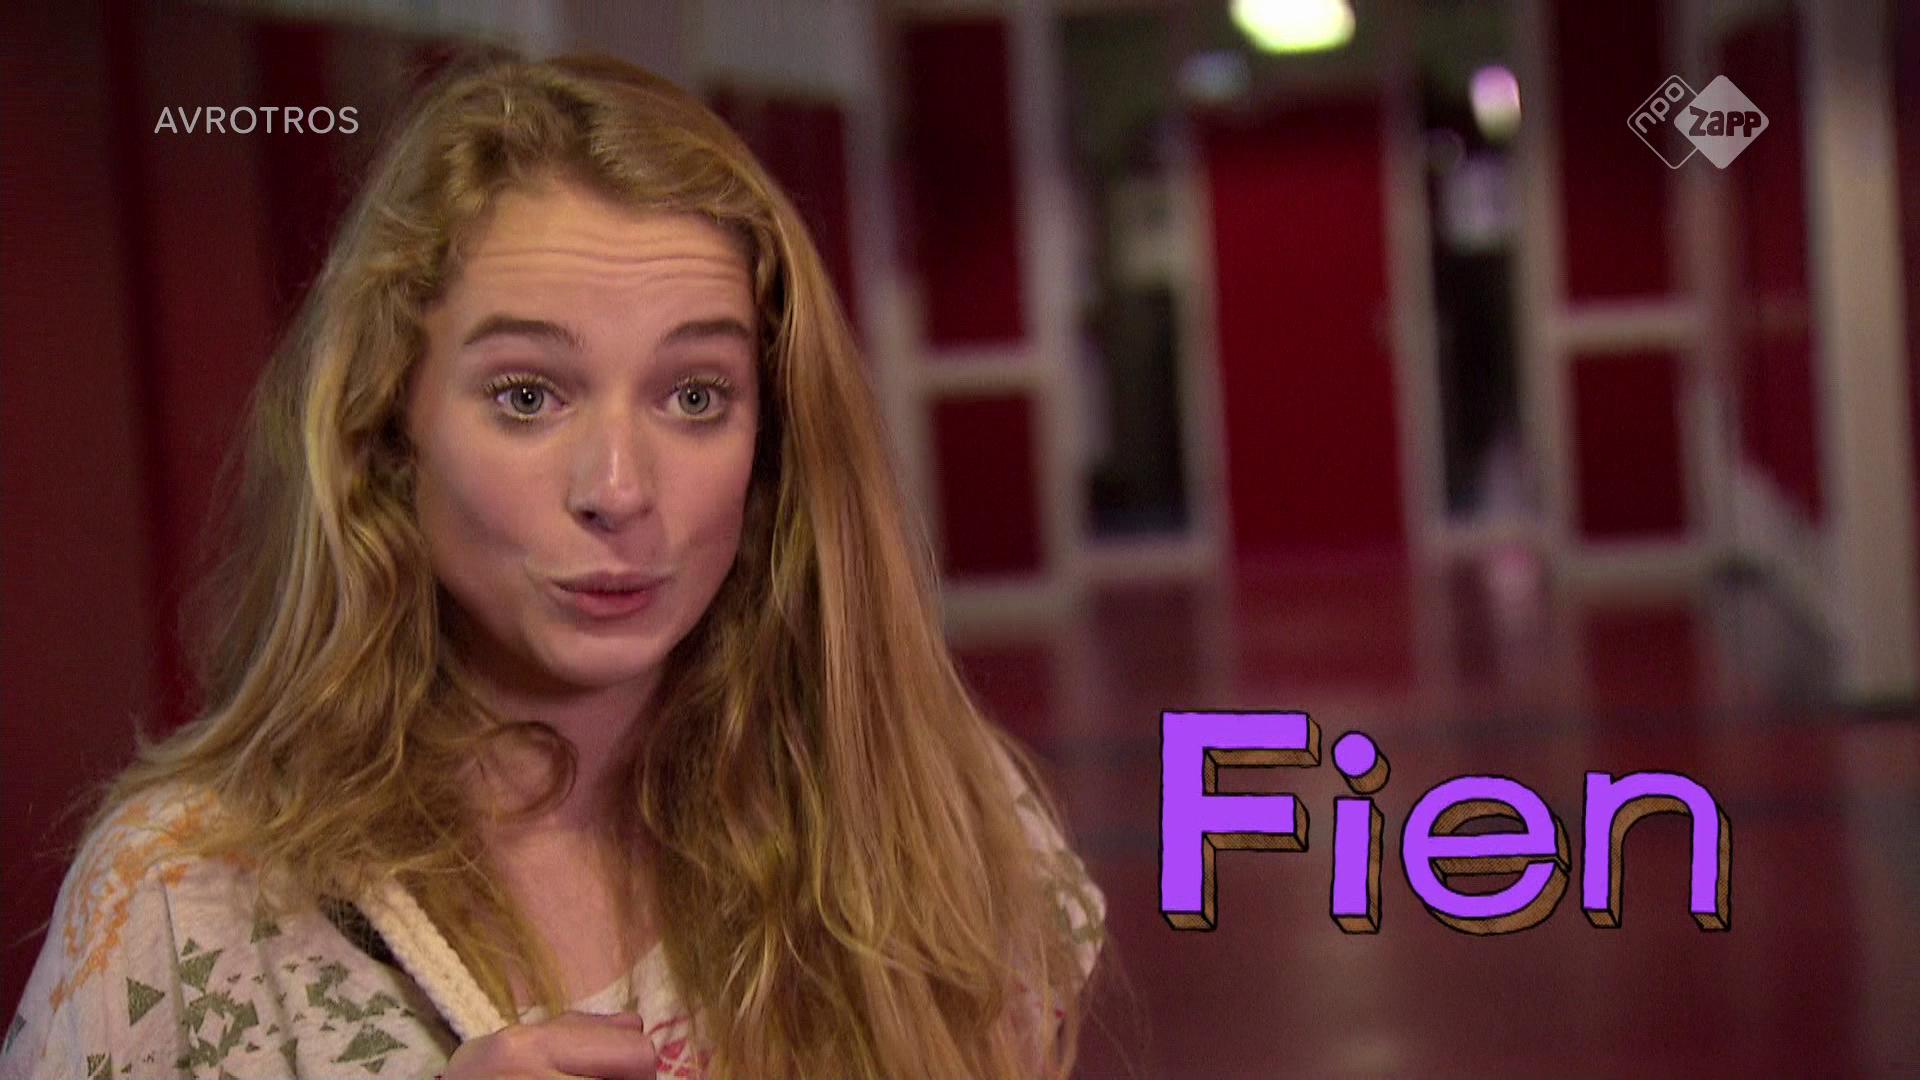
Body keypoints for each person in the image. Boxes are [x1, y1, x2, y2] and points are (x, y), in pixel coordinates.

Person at [0, 51, 1105, 1080]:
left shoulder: (942, 814)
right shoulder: (181, 903)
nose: (617, 488)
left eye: (695, 396)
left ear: (769, 445)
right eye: (527, 396)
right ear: (388, 428)